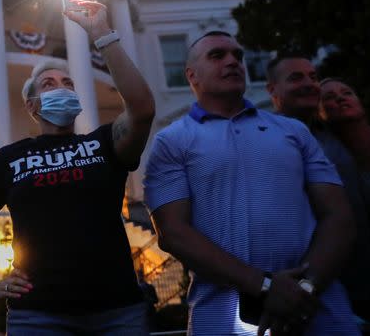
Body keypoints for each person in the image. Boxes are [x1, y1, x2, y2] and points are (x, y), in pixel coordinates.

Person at [0, 0, 156, 335]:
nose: (62, 88)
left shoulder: (105, 143)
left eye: (69, 84)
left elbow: (141, 108)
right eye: (49, 84)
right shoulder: (7, 159)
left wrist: (101, 32)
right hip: (38, 315)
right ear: (32, 106)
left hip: (117, 310)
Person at [144, 31, 359, 336]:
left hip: (319, 309)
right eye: (217, 56)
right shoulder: (171, 141)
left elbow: (339, 216)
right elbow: (173, 233)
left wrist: (303, 288)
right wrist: (265, 286)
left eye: (238, 56)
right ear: (191, 74)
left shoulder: (294, 131)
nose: (234, 61)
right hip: (222, 316)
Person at [267, 56, 370, 324]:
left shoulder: (330, 135)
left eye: (313, 77)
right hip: (322, 290)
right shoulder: (266, 139)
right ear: (272, 90)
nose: (308, 84)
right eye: (296, 78)